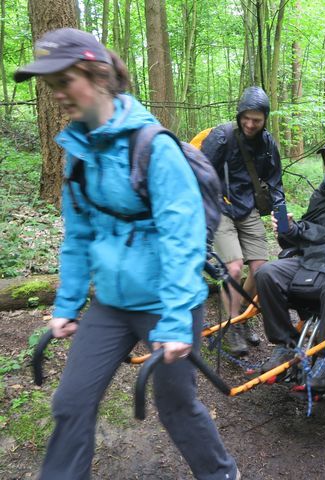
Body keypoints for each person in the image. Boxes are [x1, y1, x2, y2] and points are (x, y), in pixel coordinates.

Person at [14, 28, 238, 480]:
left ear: (97, 75)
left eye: (63, 81)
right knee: (71, 402)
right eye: (51, 86)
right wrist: (68, 304)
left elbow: (183, 241)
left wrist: (175, 323)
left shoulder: (153, 147)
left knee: (176, 407)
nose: (56, 95)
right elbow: (78, 238)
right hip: (112, 304)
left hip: (167, 303)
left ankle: (221, 474)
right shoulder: (79, 152)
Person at [255, 127, 325, 391]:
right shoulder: (322, 194)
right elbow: (305, 233)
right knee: (266, 273)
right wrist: (289, 229)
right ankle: (285, 345)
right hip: (312, 258)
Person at [200, 86, 285, 356]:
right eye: (246, 118)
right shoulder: (222, 137)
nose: (250, 124)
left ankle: (244, 317)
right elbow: (200, 174)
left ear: (265, 119)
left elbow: (275, 183)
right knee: (234, 268)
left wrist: (283, 225)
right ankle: (231, 324)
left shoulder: (268, 143)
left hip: (247, 209)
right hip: (220, 208)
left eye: (256, 120)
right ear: (239, 115)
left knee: (262, 271)